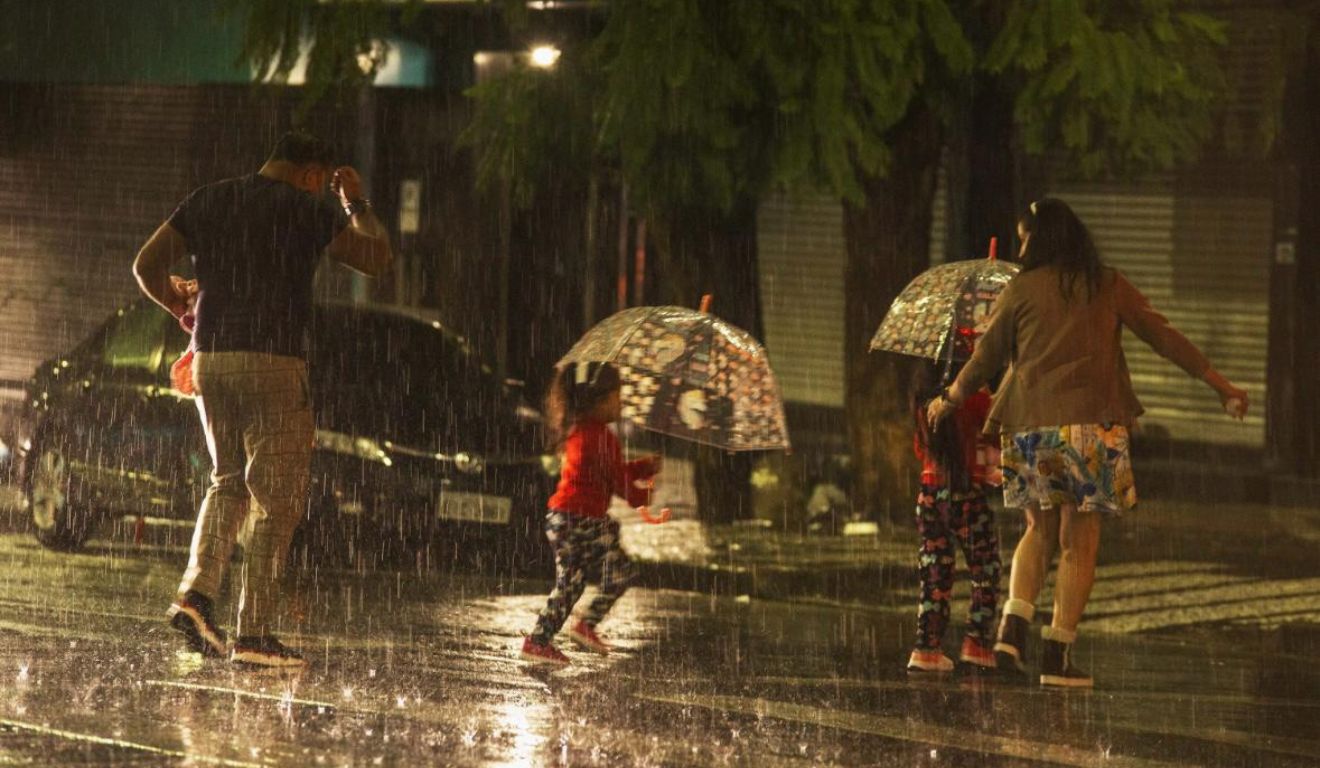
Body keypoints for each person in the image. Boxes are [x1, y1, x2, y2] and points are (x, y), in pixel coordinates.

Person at [927, 197, 1248, 688]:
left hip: (1031, 424)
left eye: (1023, 236)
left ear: (1037, 238)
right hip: (1092, 424)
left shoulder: (1021, 288)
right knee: (1080, 542)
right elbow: (1163, 336)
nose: (1020, 245)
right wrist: (1221, 386)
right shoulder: (1107, 284)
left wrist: (950, 397)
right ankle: (1057, 656)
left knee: (1037, 530)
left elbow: (986, 356)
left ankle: (1012, 632)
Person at [132, 131, 393, 667]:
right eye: (321, 183)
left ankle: (196, 597)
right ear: (312, 175)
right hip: (274, 362)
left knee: (227, 482)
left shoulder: (210, 197)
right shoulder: (304, 208)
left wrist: (183, 313)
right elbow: (376, 258)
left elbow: (146, 266)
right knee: (277, 501)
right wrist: (356, 205)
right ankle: (254, 634)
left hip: (211, 360)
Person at [521, 361, 660, 664]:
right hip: (581, 520)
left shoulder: (583, 431)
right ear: (599, 399)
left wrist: (644, 466)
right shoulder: (601, 438)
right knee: (620, 572)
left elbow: (611, 473)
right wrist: (644, 494)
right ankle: (581, 626)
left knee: (571, 583)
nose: (622, 401)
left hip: (564, 518)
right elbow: (621, 483)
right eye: (618, 395)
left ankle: (540, 640)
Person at [906, 358, 1002, 673]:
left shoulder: (921, 397)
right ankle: (977, 642)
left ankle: (926, 647)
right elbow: (986, 442)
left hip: (930, 493)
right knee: (985, 568)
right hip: (966, 495)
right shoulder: (973, 396)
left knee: (935, 572)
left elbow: (921, 450)